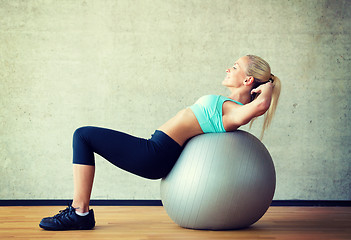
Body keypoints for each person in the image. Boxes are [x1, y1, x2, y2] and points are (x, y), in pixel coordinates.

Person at [39, 55, 281, 230]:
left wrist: (268, 87)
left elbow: (260, 106)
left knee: (82, 135)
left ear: (248, 80)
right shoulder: (231, 107)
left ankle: (79, 211)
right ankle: (79, 211)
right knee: (83, 135)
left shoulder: (234, 111)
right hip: (155, 148)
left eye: (235, 66)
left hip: (155, 154)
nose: (229, 68)